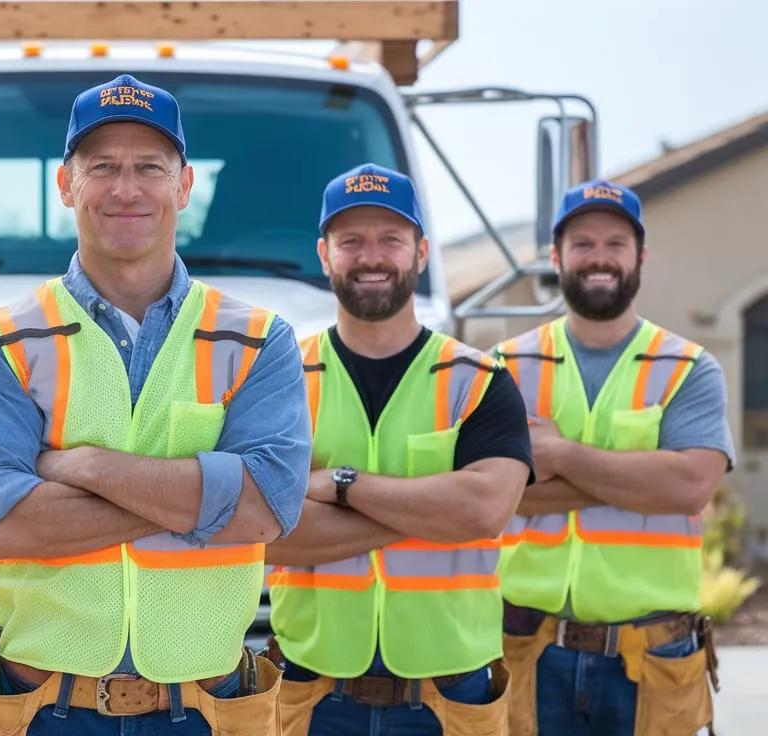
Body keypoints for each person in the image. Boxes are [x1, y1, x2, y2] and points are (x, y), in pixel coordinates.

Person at [0, 73, 312, 735]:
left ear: (184, 185)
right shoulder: (2, 340)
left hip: (205, 707)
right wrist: (201, 498)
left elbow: (265, 508)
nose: (126, 189)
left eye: (150, 167)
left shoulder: (259, 339)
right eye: (102, 167)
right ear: (66, 185)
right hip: (42, 707)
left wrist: (79, 466)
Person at [262, 163, 534, 736]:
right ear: (324, 254)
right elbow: (261, 529)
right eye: (351, 241)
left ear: (421, 252)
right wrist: (436, 510)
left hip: (451, 694)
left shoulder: (480, 380)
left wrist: (340, 486)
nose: (371, 257)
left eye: (391, 239)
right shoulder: (282, 377)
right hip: (313, 693)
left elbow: (485, 510)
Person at [494, 179, 733, 736]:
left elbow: (690, 488)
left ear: (639, 256)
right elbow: (489, 491)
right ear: (556, 257)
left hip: (654, 657)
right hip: (526, 649)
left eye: (615, 244)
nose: (599, 257)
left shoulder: (690, 368)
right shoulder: (503, 366)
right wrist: (643, 474)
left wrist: (556, 454)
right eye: (582, 244)